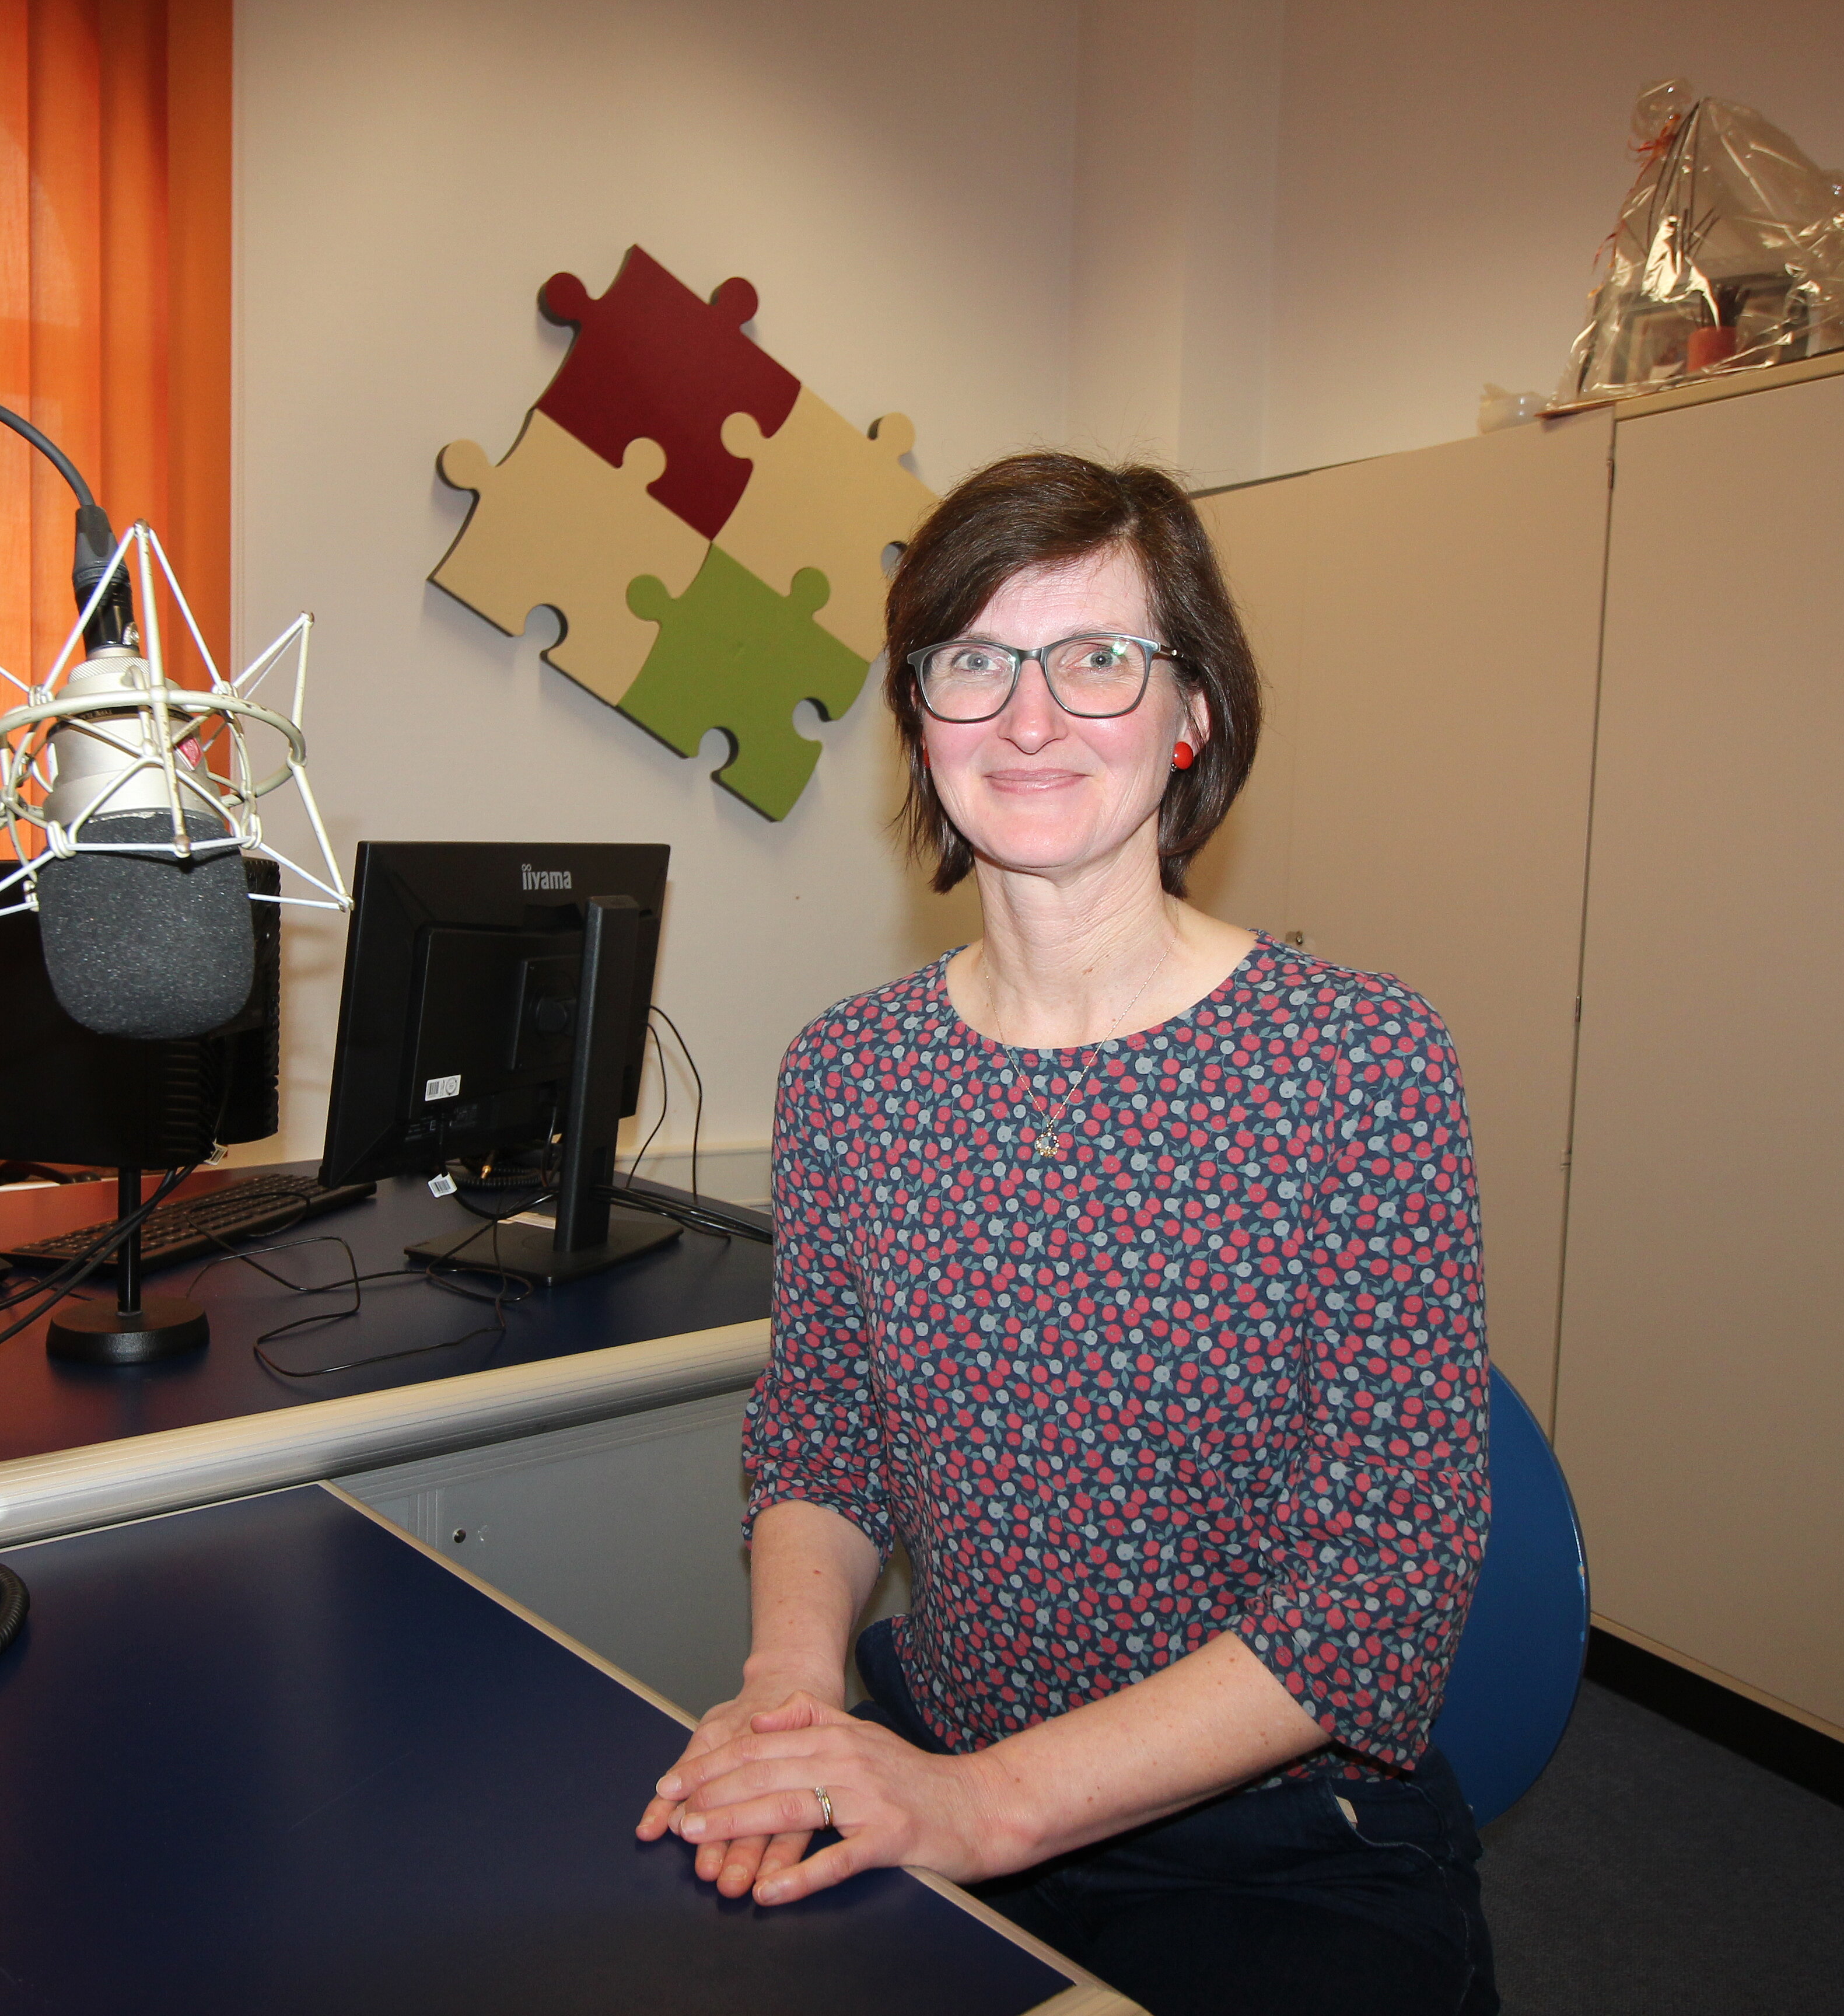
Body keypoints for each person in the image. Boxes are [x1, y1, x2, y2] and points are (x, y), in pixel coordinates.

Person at [635, 452, 1499, 2016]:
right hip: (937, 1742)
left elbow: (1381, 1585)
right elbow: (825, 1443)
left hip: (1273, 1839)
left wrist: (991, 1810)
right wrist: (786, 1694)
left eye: (1098, 658)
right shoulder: (852, 1072)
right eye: (974, 662)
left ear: (1193, 718)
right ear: (920, 720)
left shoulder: (1360, 1067)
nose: (1028, 720)